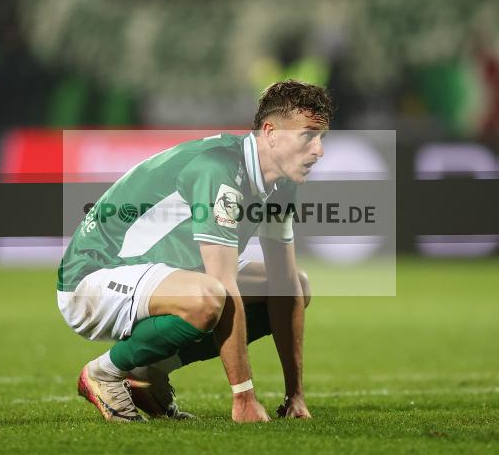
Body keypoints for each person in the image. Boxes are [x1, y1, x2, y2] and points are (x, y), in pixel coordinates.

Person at [56, 79, 332, 422]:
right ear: (271, 133)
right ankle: (105, 372)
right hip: (92, 277)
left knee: (295, 286)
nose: (319, 150)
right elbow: (223, 285)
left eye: (322, 137)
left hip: (160, 273)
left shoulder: (282, 182)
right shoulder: (219, 168)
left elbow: (284, 281)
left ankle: (147, 370)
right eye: (308, 136)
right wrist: (244, 398)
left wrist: (295, 395)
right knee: (211, 296)